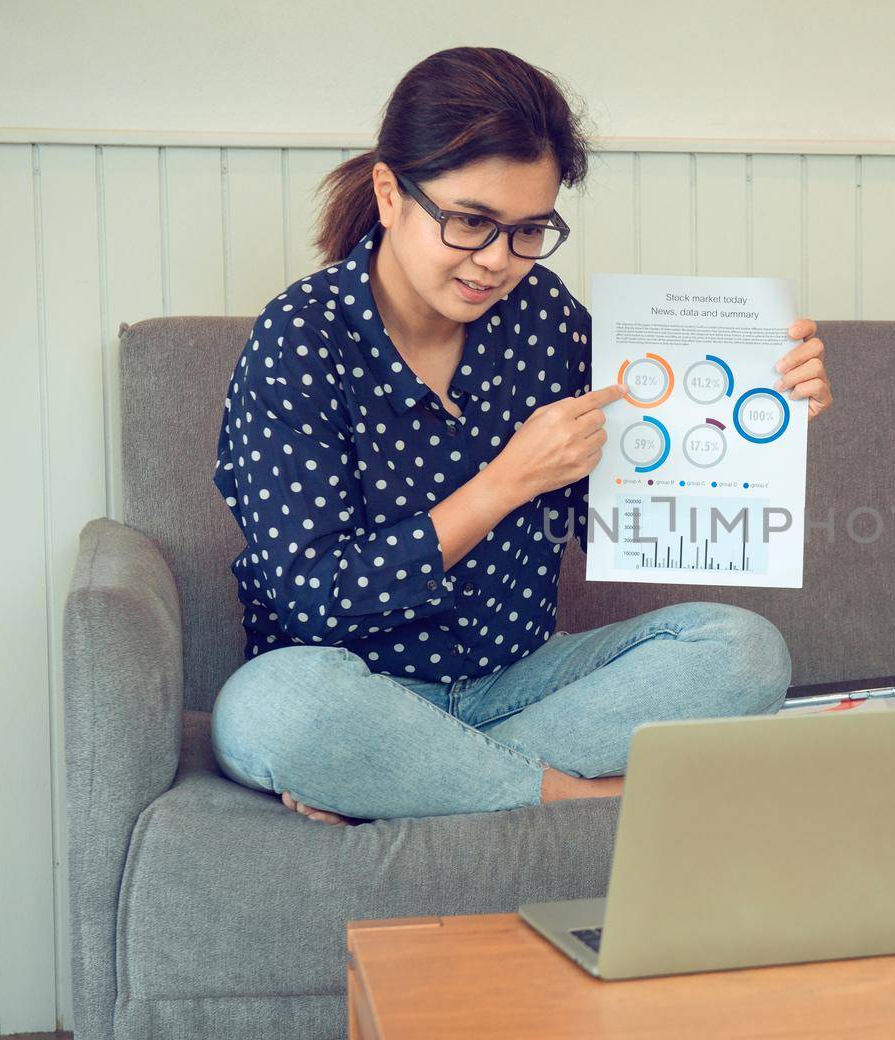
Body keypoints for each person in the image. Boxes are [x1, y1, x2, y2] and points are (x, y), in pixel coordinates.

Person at [208, 46, 834, 825]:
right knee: (277, 711)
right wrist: (505, 481)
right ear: (390, 193)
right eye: (471, 222)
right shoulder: (302, 338)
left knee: (744, 652)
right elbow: (314, 601)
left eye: (528, 230)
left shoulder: (541, 315)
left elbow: (637, 471)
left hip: (521, 682)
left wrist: (769, 396)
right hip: (353, 685)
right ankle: (576, 801)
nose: (498, 261)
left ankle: (412, 782)